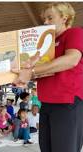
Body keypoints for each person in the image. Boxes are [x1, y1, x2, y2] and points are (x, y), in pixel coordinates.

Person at [12, 2, 83, 152]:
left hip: (67, 103)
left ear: (64, 18)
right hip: (46, 103)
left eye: (50, 18)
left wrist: (31, 72)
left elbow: (71, 59)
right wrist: (23, 78)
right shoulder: (46, 44)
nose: (45, 22)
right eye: (44, 19)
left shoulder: (75, 33)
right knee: (46, 148)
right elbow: (44, 73)